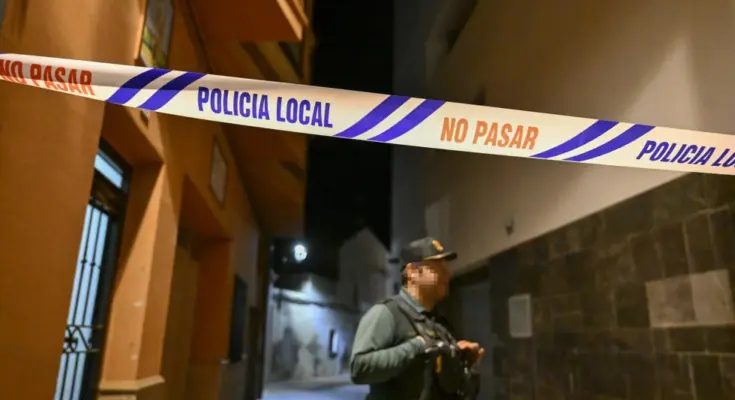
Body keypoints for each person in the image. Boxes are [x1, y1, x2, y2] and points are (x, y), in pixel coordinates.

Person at [350, 237, 484, 400]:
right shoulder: (387, 313)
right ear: (413, 272)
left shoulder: (439, 323)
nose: (448, 273)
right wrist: (416, 346)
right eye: (438, 267)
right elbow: (359, 368)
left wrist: (463, 360)